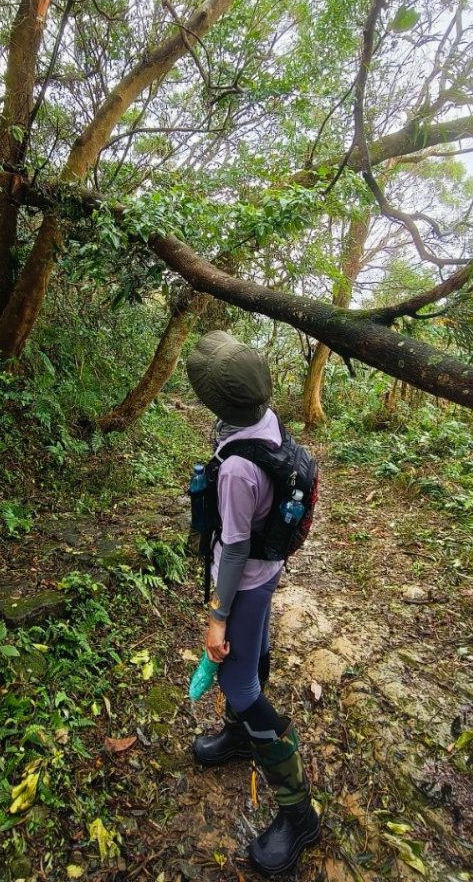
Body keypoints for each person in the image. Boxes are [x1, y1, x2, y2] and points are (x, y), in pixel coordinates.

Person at [186, 330, 320, 877]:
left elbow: (236, 546)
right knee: (254, 649)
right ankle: (241, 736)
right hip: (267, 572)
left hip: (244, 579)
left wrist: (217, 616)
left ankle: (299, 813)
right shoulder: (265, 423)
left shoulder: (240, 468)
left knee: (238, 681)